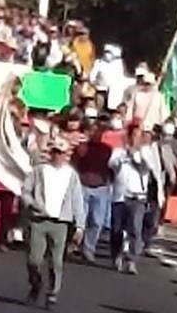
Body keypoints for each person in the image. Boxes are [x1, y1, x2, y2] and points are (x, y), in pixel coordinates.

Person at [21, 138, 86, 310]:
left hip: (60, 223)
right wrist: (32, 204)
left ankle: (53, 294)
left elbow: (77, 200)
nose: (57, 156)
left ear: (66, 155)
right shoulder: (39, 170)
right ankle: (36, 285)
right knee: (33, 260)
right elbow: (25, 191)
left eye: (61, 153)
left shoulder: (71, 175)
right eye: (55, 152)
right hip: (39, 220)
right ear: (50, 153)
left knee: (56, 261)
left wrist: (80, 226)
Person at [109, 125, 150, 274]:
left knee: (135, 230)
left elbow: (146, 168)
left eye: (139, 136)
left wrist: (135, 156)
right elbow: (112, 166)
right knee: (116, 229)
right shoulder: (118, 152)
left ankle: (131, 260)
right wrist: (124, 156)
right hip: (119, 196)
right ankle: (116, 255)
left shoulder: (147, 153)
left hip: (137, 197)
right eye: (133, 135)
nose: (135, 139)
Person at [73, 112, 113, 263]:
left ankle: (89, 249)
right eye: (95, 130)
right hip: (83, 186)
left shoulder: (107, 150)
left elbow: (112, 168)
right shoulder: (83, 148)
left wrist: (108, 183)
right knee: (80, 219)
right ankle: (76, 244)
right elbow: (75, 164)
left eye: (101, 131)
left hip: (101, 188)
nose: (98, 134)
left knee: (97, 221)